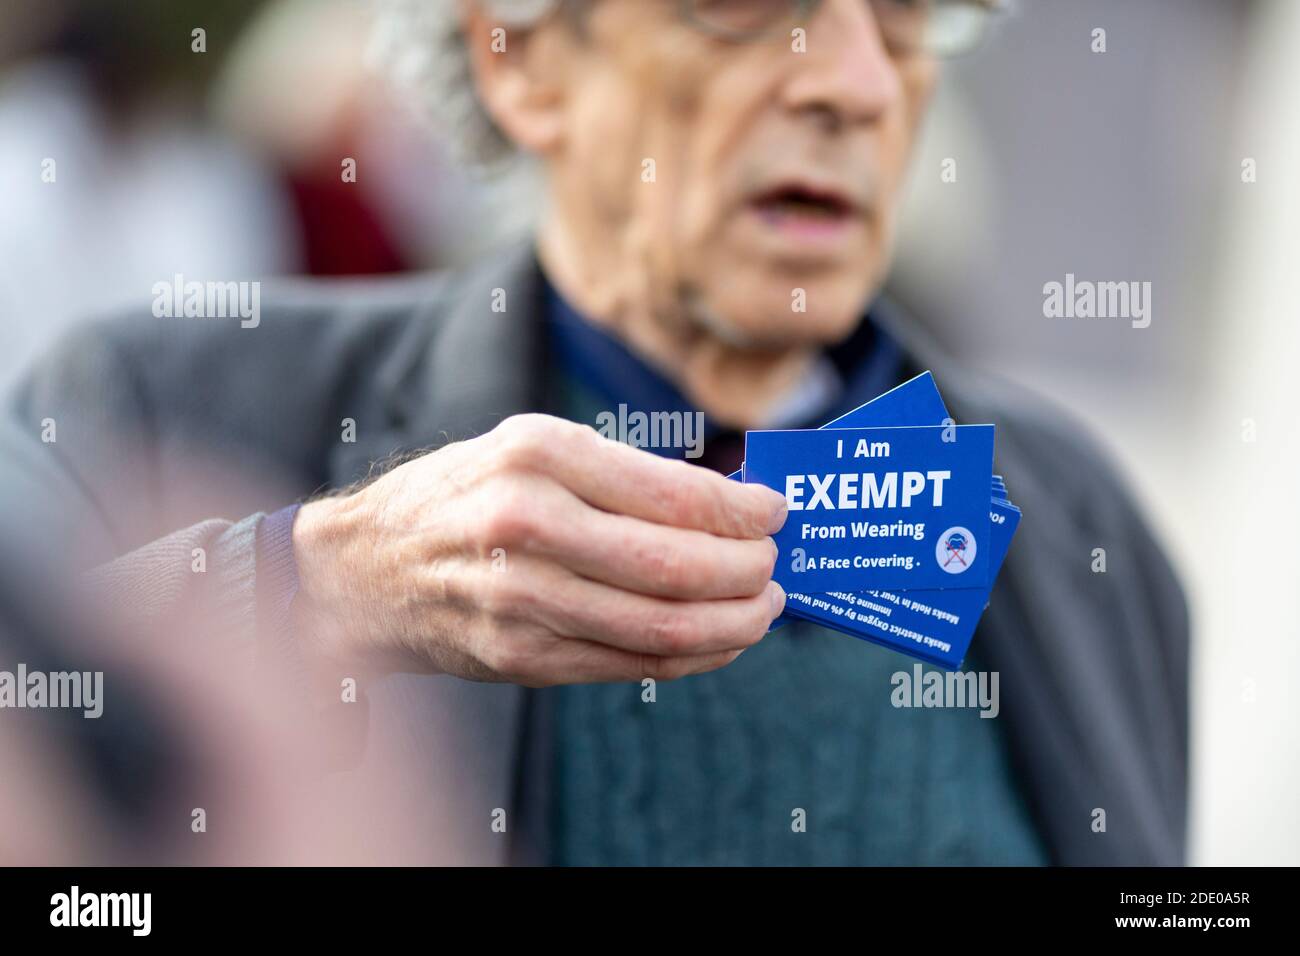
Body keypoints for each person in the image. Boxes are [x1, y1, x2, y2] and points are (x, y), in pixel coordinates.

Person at [1, 0, 1187, 865]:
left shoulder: (1079, 517)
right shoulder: (157, 400)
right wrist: (305, 584)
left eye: (902, 16)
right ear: (518, 60)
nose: (856, 83)